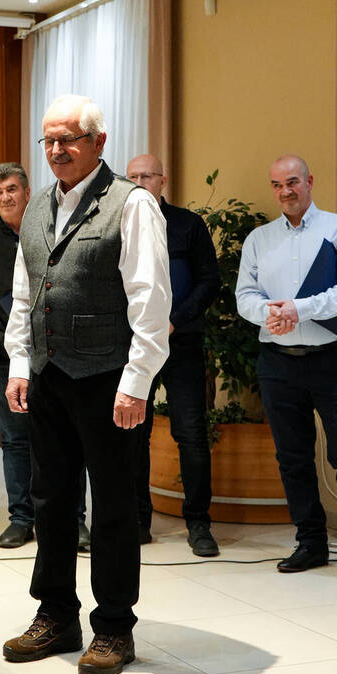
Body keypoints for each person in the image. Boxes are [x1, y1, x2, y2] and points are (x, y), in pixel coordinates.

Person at [3, 94, 171, 674]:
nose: (56, 150)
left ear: (98, 142)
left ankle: (115, 626)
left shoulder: (133, 204)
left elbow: (150, 300)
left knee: (115, 504)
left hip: (109, 379)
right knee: (50, 500)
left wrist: (137, 381)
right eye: (48, 140)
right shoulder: (38, 205)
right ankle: (56, 615)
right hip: (48, 376)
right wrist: (19, 363)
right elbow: (24, 290)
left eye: (68, 139)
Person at [235, 154, 337, 587]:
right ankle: (311, 542)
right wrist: (272, 314)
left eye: (293, 182)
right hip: (277, 362)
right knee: (292, 457)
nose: (286, 191)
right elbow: (245, 295)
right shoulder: (259, 239)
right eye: (277, 184)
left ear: (309, 182)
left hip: (333, 361)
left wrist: (298, 310)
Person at [0, 162, 91, 550]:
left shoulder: (54, 231)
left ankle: (73, 519)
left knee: (66, 440)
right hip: (3, 360)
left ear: (27, 191)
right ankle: (21, 518)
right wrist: (10, 343)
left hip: (57, 357)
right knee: (15, 441)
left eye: (12, 189)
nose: (5, 198)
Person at [126, 154, 220, 556]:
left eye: (147, 176)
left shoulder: (188, 224)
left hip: (181, 342)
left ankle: (198, 523)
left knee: (191, 433)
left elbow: (209, 281)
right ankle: (138, 521)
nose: (140, 183)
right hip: (134, 346)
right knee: (134, 434)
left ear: (162, 180)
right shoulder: (118, 225)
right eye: (133, 177)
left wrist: (174, 322)